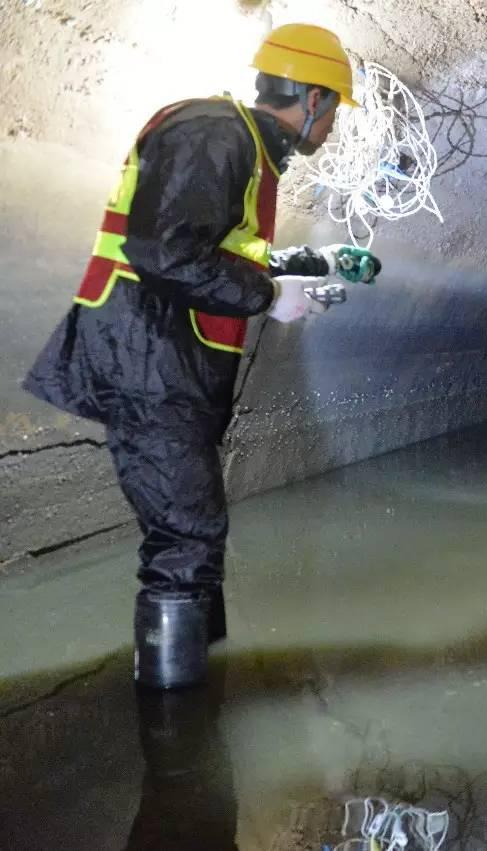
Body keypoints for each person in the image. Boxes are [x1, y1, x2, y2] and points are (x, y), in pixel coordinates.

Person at [22, 23, 381, 690]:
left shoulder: (240, 149)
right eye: (333, 112)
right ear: (312, 99)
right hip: (145, 355)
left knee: (194, 533)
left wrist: (310, 265)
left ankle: (200, 699)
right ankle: (178, 752)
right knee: (185, 538)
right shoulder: (216, 132)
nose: (331, 131)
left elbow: (218, 250)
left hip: (167, 359)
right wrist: (270, 294)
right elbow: (163, 251)